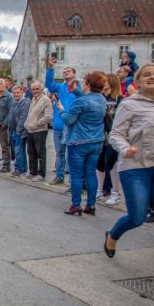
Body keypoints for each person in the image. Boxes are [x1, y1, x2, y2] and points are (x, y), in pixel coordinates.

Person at [105, 64, 154, 293]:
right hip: (136, 167)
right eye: (146, 74)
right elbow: (116, 134)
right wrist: (125, 148)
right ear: (137, 81)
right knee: (137, 217)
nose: (152, 77)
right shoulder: (129, 104)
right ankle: (113, 234)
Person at [57, 72, 107, 216]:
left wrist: (61, 110)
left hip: (78, 141)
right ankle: (91, 205)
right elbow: (87, 100)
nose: (82, 83)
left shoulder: (81, 102)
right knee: (91, 173)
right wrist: (75, 89)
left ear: (89, 84)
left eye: (84, 82)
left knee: (76, 175)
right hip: (96, 141)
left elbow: (68, 119)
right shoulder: (101, 99)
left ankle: (76, 204)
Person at [46, 56, 82, 185]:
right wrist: (50, 67)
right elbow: (49, 84)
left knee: (71, 154)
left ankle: (73, 179)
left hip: (72, 125)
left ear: (74, 74)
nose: (66, 73)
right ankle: (59, 176)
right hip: (58, 124)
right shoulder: (60, 87)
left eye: (69, 71)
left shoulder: (79, 89)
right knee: (59, 153)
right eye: (64, 72)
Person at [97, 74, 123, 205]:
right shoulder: (101, 98)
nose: (103, 83)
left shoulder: (119, 98)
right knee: (99, 162)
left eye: (105, 81)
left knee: (112, 163)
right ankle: (100, 189)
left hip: (113, 135)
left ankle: (116, 192)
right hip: (101, 135)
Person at [23, 81, 53, 181]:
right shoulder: (33, 98)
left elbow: (48, 117)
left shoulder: (46, 100)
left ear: (41, 89)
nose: (35, 91)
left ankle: (41, 174)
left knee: (40, 153)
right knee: (31, 152)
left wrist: (36, 124)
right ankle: (32, 171)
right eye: (33, 89)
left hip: (40, 130)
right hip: (30, 130)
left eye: (37, 89)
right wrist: (27, 124)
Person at [5, 85, 30, 177]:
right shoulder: (14, 102)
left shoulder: (24, 102)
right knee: (17, 151)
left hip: (19, 132)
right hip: (13, 131)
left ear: (22, 93)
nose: (16, 94)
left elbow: (23, 117)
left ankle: (20, 169)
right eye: (14, 93)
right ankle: (19, 168)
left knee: (19, 151)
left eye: (18, 92)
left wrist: (19, 130)